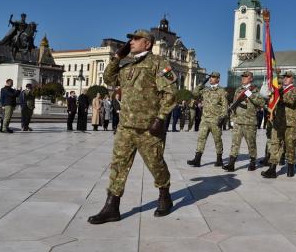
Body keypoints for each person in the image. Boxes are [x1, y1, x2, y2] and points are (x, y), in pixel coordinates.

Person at [88, 29, 177, 224]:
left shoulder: (158, 63)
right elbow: (108, 78)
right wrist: (118, 56)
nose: (132, 42)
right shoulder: (127, 65)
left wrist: (160, 119)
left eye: (136, 39)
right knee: (118, 165)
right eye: (131, 39)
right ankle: (112, 207)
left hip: (148, 127)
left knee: (156, 164)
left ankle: (164, 195)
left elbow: (171, 93)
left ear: (148, 43)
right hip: (126, 126)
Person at [261, 71, 296, 178]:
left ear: (292, 79)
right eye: (284, 77)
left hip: (290, 122)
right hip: (278, 121)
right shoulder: (278, 90)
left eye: (288, 77)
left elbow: (291, 101)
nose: (285, 79)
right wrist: (273, 94)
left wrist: (278, 94)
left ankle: (290, 167)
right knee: (275, 143)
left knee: (290, 145)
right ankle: (272, 168)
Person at [222, 71, 265, 172]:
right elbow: (234, 105)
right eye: (242, 76)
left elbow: (261, 102)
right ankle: (231, 164)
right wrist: (232, 119)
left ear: (251, 79)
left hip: (250, 122)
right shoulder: (238, 90)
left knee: (251, 143)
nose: (243, 78)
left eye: (246, 77)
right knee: (235, 143)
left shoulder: (255, 90)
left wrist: (250, 94)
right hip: (238, 121)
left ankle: (253, 162)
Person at [187, 72, 228, 167]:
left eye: (213, 77)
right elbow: (195, 92)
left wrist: (221, 118)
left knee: (217, 140)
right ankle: (197, 159)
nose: (211, 79)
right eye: (210, 77)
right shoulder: (206, 90)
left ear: (218, 79)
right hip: (205, 119)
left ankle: (219, 159)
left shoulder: (222, 91)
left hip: (215, 120)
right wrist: (203, 82)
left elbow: (225, 107)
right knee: (201, 138)